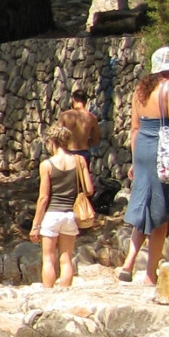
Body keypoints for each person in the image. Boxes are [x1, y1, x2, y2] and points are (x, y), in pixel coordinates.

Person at [118, 46, 169, 284]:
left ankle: (129, 262)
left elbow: (134, 128)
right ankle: (150, 275)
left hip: (142, 150)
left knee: (144, 207)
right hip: (163, 152)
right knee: (160, 214)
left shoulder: (140, 90)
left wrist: (134, 159)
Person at [29, 125, 93, 288]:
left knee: (48, 258)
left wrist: (35, 225)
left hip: (51, 215)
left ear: (51, 142)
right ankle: (65, 294)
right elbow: (89, 189)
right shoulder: (79, 160)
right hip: (70, 215)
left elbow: (43, 197)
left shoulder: (47, 165)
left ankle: (48, 294)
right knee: (66, 258)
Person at [61, 89, 101, 169]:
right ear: (85, 101)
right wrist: (85, 142)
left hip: (68, 153)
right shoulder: (92, 118)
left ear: (73, 99)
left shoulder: (64, 116)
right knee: (83, 180)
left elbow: (57, 136)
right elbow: (96, 140)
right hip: (83, 153)